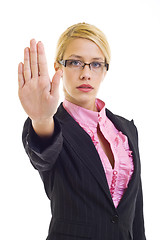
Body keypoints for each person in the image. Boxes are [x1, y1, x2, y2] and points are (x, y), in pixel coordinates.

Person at [18, 22, 146, 240]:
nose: (86, 74)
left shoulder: (126, 130)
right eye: (76, 62)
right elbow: (43, 154)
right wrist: (41, 119)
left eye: (96, 64)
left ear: (105, 70)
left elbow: (135, 215)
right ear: (59, 68)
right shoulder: (51, 125)